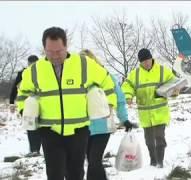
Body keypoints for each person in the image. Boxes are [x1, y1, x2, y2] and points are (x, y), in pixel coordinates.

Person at [17, 27, 117, 180]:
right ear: (44, 48)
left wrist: (110, 104)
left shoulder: (84, 64)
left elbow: (107, 82)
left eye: (59, 51)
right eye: (50, 52)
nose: (55, 56)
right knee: (54, 174)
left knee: (75, 174)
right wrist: (24, 110)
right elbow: (22, 94)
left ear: (66, 46)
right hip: (50, 131)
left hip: (79, 131)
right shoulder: (35, 70)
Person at [80, 49, 134, 180]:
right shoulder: (76, 79)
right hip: (83, 127)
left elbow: (120, 100)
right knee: (92, 161)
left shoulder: (106, 77)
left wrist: (124, 119)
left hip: (103, 126)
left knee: (94, 160)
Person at [121, 48, 179, 168]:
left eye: (148, 60)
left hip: (160, 112)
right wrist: (128, 96)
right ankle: (153, 161)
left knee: (160, 137)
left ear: (151, 58)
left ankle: (160, 163)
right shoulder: (135, 74)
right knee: (149, 141)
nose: (146, 63)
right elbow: (127, 86)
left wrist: (174, 91)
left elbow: (174, 83)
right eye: (143, 61)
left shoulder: (163, 70)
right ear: (140, 62)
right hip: (145, 114)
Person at [10, 55, 41, 157]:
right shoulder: (22, 73)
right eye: (30, 64)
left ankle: (36, 150)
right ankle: (33, 150)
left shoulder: (42, 72)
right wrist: (11, 102)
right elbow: (15, 88)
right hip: (25, 106)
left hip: (40, 105)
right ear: (28, 64)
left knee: (39, 127)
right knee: (30, 127)